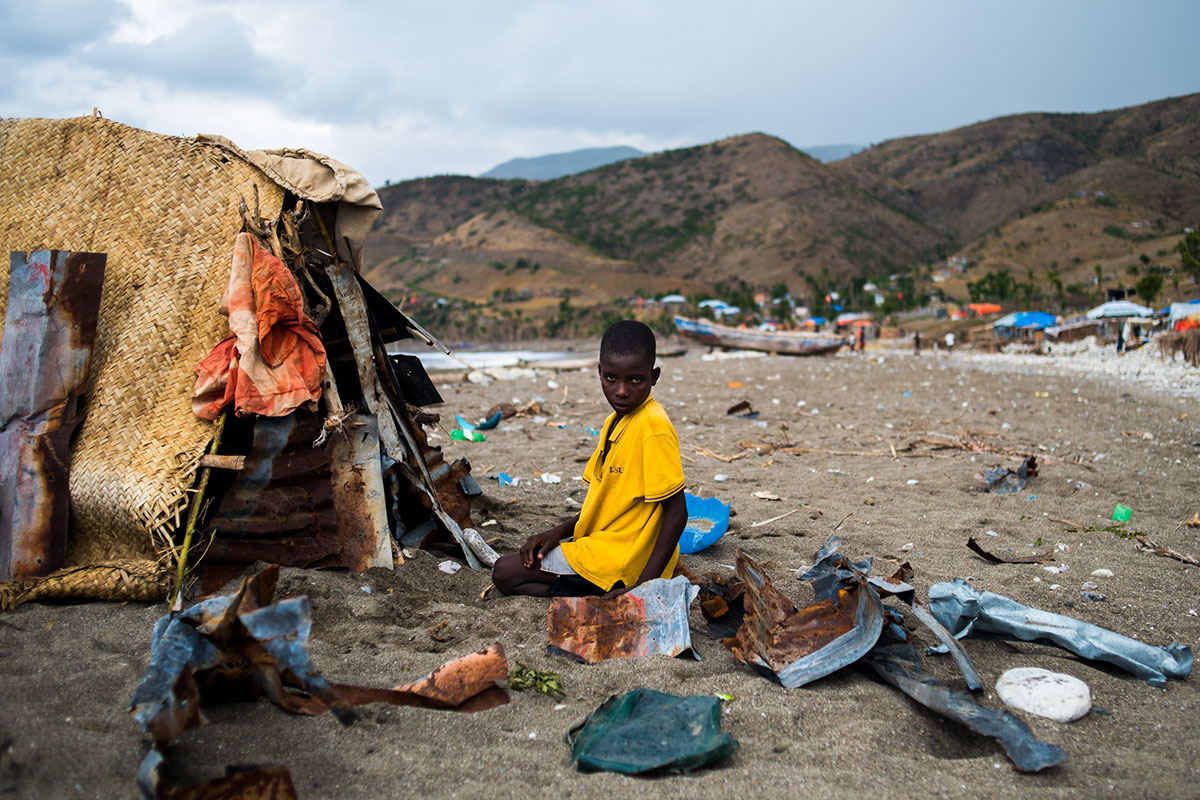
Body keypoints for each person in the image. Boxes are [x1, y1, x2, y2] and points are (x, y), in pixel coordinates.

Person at [491, 320, 687, 598]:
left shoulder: (653, 427)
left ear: (654, 376)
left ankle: (613, 587)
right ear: (599, 372)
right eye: (611, 378)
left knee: (504, 572)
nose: (621, 390)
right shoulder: (614, 421)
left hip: (624, 557)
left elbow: (677, 513)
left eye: (635, 380)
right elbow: (607, 503)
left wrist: (643, 587)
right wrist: (557, 532)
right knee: (512, 574)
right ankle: (596, 591)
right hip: (602, 545)